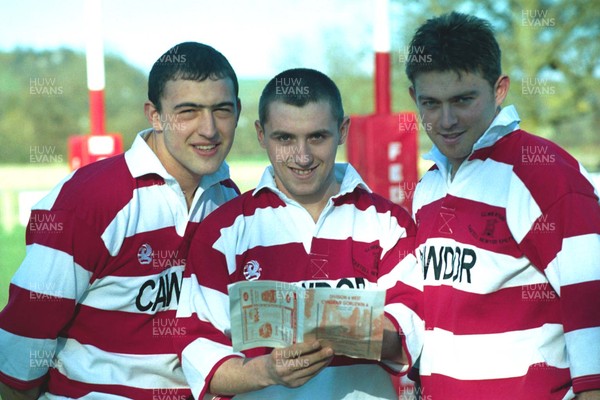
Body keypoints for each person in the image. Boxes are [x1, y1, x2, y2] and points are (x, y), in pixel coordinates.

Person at [0, 42, 241, 399]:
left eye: (222, 110)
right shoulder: (90, 200)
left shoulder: (229, 200)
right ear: (155, 115)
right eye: (188, 111)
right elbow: (18, 354)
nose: (209, 129)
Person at [174, 68, 424, 399]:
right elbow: (199, 354)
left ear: (343, 130)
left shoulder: (388, 222)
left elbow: (408, 334)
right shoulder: (224, 230)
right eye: (285, 138)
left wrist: (325, 326)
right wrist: (266, 371)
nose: (302, 157)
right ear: (262, 135)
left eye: (317, 137)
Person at [405, 11, 600, 400]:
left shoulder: (543, 174)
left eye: (463, 100)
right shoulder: (427, 186)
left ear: (499, 89)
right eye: (431, 103)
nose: (446, 120)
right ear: (414, 97)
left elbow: (592, 311)